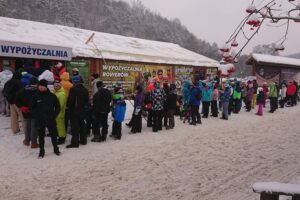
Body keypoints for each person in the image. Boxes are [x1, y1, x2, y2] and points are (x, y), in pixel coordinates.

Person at [29, 79, 60, 158]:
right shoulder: (35, 96)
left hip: (51, 119)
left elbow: (57, 107)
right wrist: (36, 115)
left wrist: (54, 114)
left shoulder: (52, 96)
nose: (41, 87)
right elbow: (31, 108)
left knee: (53, 135)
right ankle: (41, 151)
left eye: (42, 86)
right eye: (39, 86)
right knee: (41, 136)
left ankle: (56, 149)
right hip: (40, 119)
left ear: (46, 86)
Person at [15, 77, 39, 148]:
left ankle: (27, 140)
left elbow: (16, 100)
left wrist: (21, 107)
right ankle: (34, 143)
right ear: (36, 83)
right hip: (35, 112)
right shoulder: (38, 91)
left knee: (27, 126)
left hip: (25, 112)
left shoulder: (22, 90)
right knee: (34, 127)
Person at [66, 76, 89, 148]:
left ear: (74, 82)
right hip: (82, 110)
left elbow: (70, 101)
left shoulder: (73, 89)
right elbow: (86, 101)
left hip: (74, 111)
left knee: (75, 127)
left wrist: (68, 107)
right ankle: (83, 141)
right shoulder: (85, 89)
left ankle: (75, 143)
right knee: (82, 126)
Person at [53, 80, 67, 145]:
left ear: (59, 86)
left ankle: (62, 138)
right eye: (54, 86)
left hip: (60, 113)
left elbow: (60, 105)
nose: (55, 87)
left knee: (61, 126)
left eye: (56, 86)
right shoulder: (56, 92)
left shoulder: (62, 94)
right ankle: (60, 136)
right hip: (56, 112)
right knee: (58, 126)